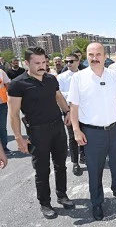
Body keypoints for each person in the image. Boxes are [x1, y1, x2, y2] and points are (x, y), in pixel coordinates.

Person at [68, 42, 116, 221]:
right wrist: (76, 130)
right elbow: (73, 107)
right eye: (91, 54)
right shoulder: (78, 78)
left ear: (105, 56)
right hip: (92, 132)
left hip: (113, 129)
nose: (95, 58)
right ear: (86, 56)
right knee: (95, 169)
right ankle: (97, 202)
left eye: (98, 54)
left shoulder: (113, 75)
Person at [7, 46, 74, 219]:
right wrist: (18, 137)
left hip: (57, 128)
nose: (42, 65)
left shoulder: (51, 79)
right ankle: (45, 203)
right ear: (26, 63)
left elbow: (58, 97)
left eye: (44, 62)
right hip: (37, 133)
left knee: (61, 165)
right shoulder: (17, 84)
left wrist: (67, 111)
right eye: (37, 63)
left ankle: (62, 195)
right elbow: (13, 114)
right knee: (42, 170)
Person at [57, 53, 85, 176]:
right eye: (66, 61)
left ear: (78, 62)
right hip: (68, 110)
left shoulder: (85, 75)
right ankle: (75, 162)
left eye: (71, 61)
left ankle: (84, 155)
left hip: (85, 110)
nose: (68, 64)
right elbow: (60, 95)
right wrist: (75, 95)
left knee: (86, 133)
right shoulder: (61, 77)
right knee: (72, 136)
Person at [0, 69, 11, 154]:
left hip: (2, 103)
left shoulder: (1, 72)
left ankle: (4, 147)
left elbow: (7, 85)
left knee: (2, 127)